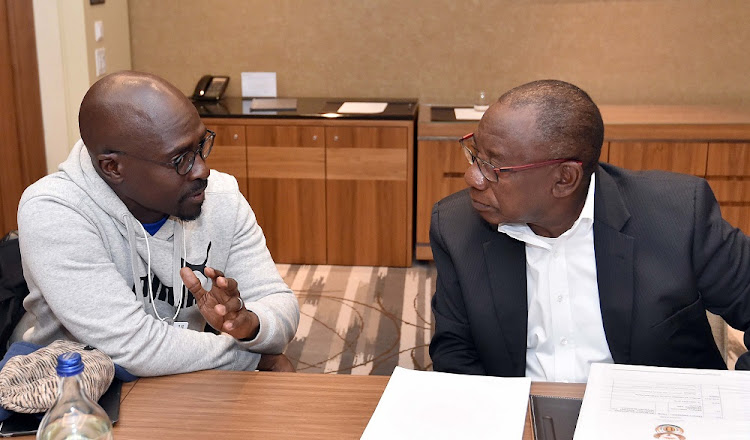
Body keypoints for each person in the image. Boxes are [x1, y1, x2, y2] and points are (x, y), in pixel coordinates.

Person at [429, 79, 750, 382]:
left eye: (493, 167)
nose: (473, 177)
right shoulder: (457, 224)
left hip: (655, 420)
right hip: (522, 412)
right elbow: (455, 350)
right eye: (475, 155)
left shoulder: (678, 215)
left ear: (564, 179)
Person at [11, 71, 300, 376]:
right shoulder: (53, 210)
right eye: (180, 159)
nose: (203, 169)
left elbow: (279, 303)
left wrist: (250, 324)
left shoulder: (219, 196)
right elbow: (132, 345)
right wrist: (254, 359)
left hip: (184, 374)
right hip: (71, 385)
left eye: (201, 145)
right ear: (113, 167)